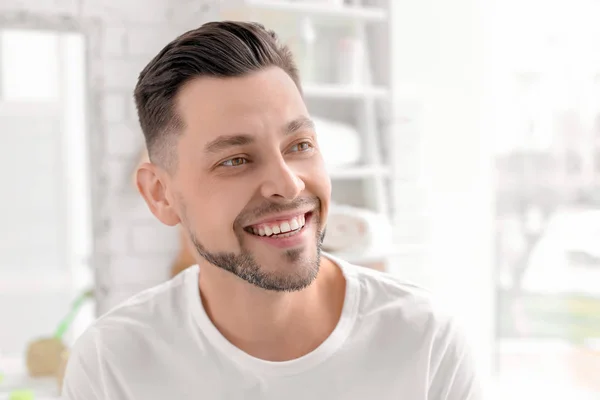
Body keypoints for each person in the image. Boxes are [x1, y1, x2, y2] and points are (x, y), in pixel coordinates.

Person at [61, 21, 483, 399]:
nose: (288, 184)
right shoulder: (113, 364)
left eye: (299, 146)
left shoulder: (425, 342)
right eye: (235, 160)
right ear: (160, 195)